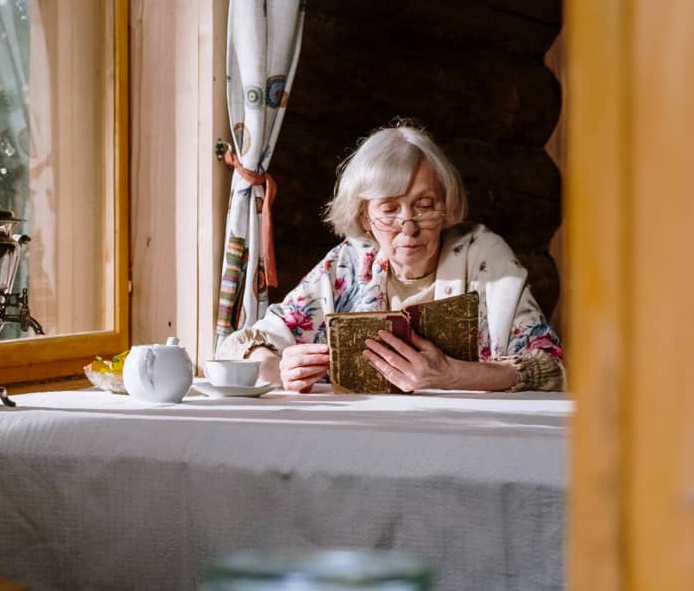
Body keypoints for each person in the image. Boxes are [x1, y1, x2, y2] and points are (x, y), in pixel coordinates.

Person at [216, 123, 565, 393]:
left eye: (424, 206)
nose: (408, 227)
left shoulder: (482, 255)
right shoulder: (350, 263)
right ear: (366, 218)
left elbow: (550, 368)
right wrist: (280, 368)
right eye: (389, 209)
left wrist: (452, 375)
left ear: (445, 209)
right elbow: (239, 349)